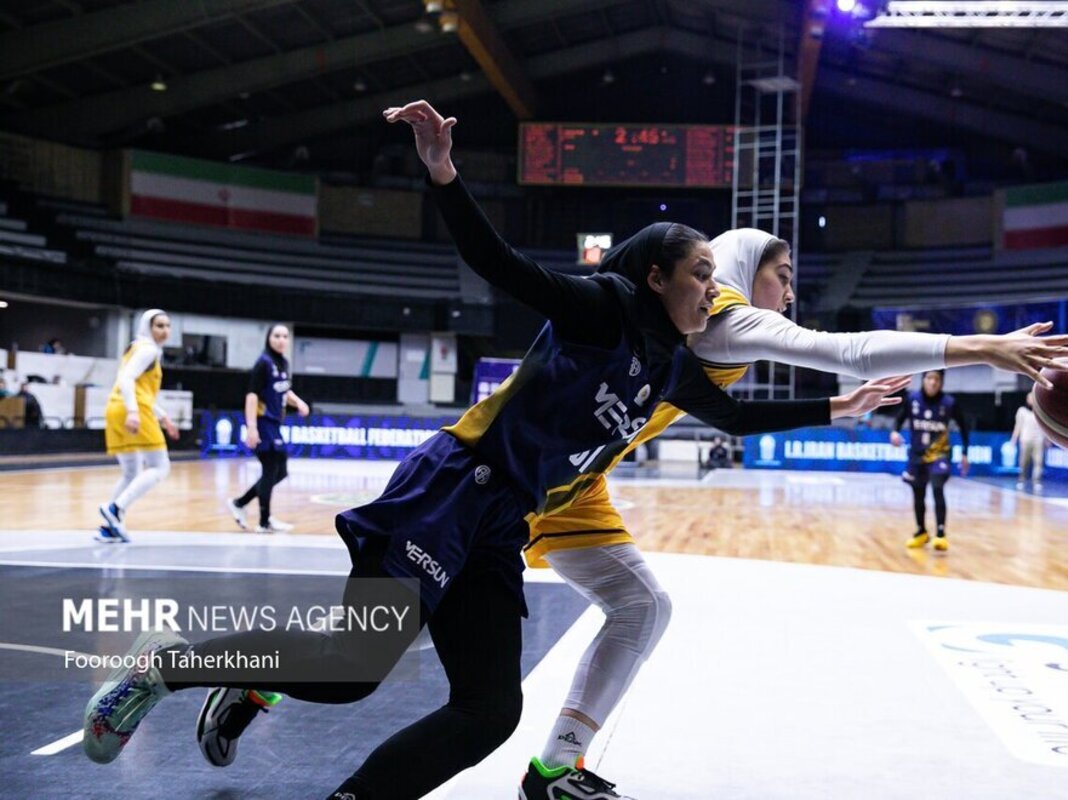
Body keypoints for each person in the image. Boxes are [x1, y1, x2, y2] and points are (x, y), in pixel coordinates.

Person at [82, 101, 906, 800]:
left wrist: (840, 405)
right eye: (700, 275)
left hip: (501, 520)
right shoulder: (602, 308)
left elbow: (734, 421)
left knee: (489, 713)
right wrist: (442, 170)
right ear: (658, 277)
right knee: (358, 661)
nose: (711, 291)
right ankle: (171, 664)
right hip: (452, 487)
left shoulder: (675, 367)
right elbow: (494, 261)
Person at [196, 228, 1068, 800]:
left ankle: (556, 768)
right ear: (742, 271)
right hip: (512, 472)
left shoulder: (703, 306)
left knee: (636, 607)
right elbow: (836, 349)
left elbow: (749, 406)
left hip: (574, 482)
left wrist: (836, 411)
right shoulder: (726, 315)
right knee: (396, 639)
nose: (790, 293)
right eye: (785, 275)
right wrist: (986, 347)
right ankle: (252, 677)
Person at [96, 309, 179, 543]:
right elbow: (127, 379)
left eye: (167, 326)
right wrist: (133, 411)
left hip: (114, 408)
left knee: (131, 472)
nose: (164, 331)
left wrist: (162, 416)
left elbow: (138, 389)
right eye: (159, 326)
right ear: (147, 327)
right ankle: (115, 509)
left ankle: (109, 527)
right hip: (131, 410)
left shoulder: (135, 346)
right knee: (160, 466)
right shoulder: (149, 350)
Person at [227, 324, 310, 533]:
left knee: (280, 471)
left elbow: (284, 390)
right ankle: (264, 522)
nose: (281, 339)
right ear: (268, 338)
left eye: (285, 336)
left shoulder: (282, 362)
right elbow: (252, 396)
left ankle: (240, 503)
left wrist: (298, 402)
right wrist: (251, 428)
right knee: (270, 468)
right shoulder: (263, 363)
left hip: (274, 424)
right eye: (277, 335)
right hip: (262, 423)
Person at [891, 369, 970, 551]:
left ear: (941, 382)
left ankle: (941, 534)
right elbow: (899, 419)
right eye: (930, 378)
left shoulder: (949, 403)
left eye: (937, 379)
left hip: (939, 454)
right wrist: (894, 432)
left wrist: (965, 453)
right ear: (923, 379)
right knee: (918, 493)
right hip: (917, 455)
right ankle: (921, 532)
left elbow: (964, 427)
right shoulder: (912, 399)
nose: (933, 382)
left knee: (937, 487)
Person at [1010, 391, 1046, 491]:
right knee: (1023, 462)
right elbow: (1018, 426)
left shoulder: (1041, 412)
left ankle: (1037, 482)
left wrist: (1047, 440)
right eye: (1030, 398)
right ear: (1027, 400)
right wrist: (1014, 439)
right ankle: (1021, 480)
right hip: (1025, 439)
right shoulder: (1022, 411)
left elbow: (1044, 428)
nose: (1032, 400)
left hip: (1038, 440)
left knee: (1038, 462)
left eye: (1033, 398)